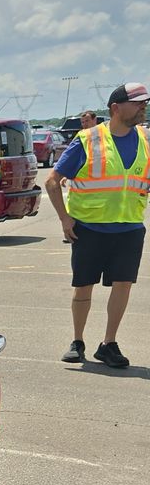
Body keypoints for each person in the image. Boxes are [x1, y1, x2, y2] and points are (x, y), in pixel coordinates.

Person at [46, 84, 150, 367]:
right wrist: (65, 218)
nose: (143, 107)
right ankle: (78, 341)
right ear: (116, 108)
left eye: (145, 103)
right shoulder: (88, 140)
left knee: (123, 286)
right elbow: (52, 181)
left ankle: (108, 343)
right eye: (138, 103)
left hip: (129, 227)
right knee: (83, 286)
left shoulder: (145, 139)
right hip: (89, 228)